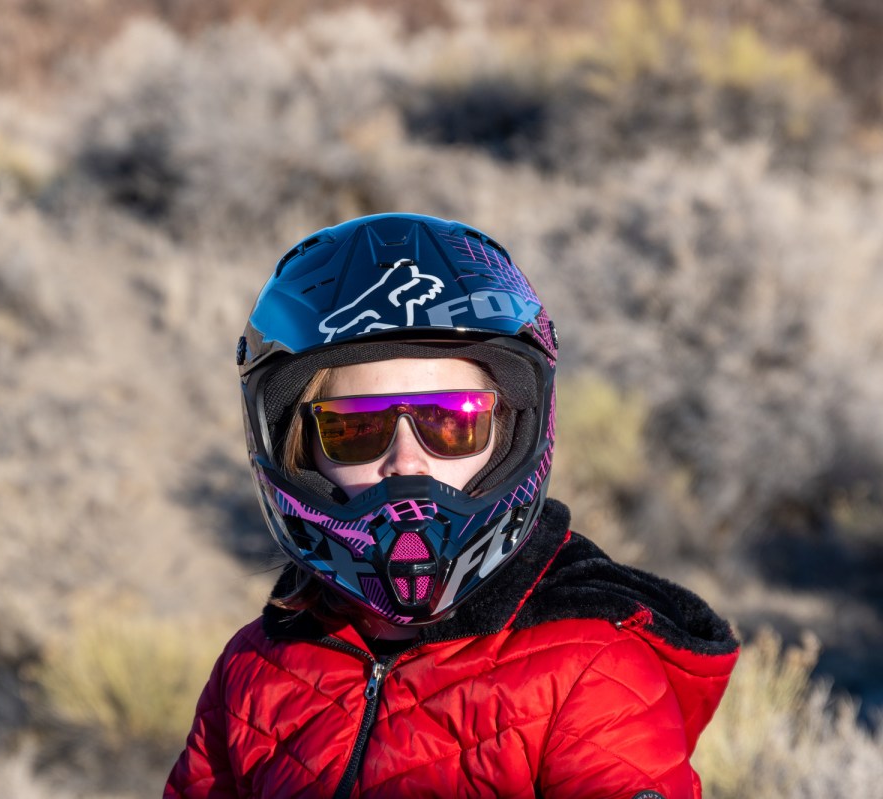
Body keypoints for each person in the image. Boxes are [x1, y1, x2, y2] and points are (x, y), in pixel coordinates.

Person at [165, 213, 739, 798]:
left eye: (451, 421)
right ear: (301, 453)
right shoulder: (254, 671)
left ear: (508, 435)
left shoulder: (589, 666)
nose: (407, 461)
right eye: (356, 429)